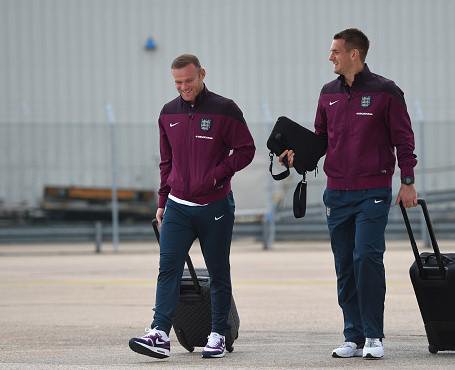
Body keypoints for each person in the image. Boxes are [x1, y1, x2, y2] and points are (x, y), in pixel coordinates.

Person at [280, 28, 418, 359]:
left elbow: (404, 139)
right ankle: (352, 336)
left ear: (353, 54)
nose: (330, 57)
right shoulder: (328, 93)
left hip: (373, 190)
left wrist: (408, 180)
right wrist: (298, 155)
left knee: (366, 258)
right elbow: (321, 139)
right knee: (344, 264)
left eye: (335, 51)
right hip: (336, 193)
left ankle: (373, 336)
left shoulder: (386, 92)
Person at [129, 54, 255, 359]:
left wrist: (216, 175)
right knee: (167, 269)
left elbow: (246, 149)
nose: (183, 87)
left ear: (202, 74)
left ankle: (218, 335)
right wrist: (162, 201)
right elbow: (166, 162)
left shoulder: (225, 109)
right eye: (178, 82)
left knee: (218, 270)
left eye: (188, 80)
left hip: (215, 206)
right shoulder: (168, 113)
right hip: (178, 207)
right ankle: (159, 333)